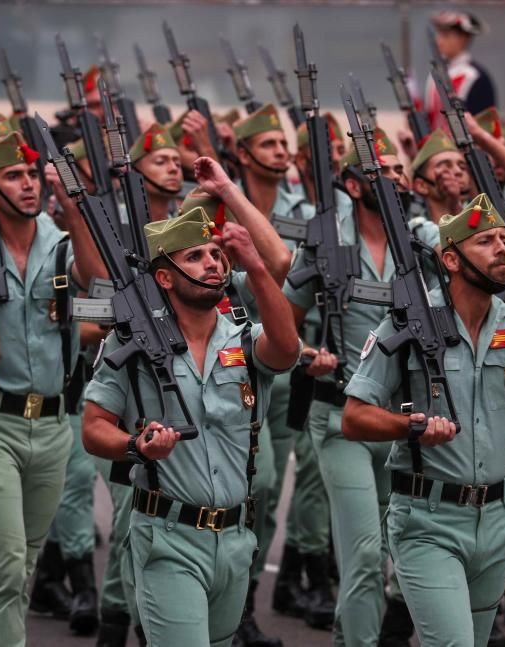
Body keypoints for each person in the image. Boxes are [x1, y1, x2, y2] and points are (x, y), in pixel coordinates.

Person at [341, 191, 505, 647]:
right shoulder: (409, 322)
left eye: (503, 240)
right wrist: (410, 426)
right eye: (486, 242)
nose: (500, 249)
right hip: (427, 521)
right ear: (450, 260)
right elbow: (354, 418)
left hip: (496, 519)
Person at [82, 162, 301, 646]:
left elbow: (286, 350)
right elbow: (94, 426)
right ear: (164, 277)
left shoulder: (243, 339)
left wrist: (256, 267)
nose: (213, 263)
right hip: (168, 535)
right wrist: (137, 447)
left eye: (218, 255)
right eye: (198, 255)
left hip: (235, 538)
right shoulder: (134, 343)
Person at [0, 130, 105, 646]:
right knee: (7, 564)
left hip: (55, 425)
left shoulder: (60, 243)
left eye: (32, 175)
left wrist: (75, 209)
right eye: (14, 176)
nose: (29, 185)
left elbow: (101, 293)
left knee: (25, 564)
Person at [284, 131, 433, 646]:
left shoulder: (420, 241)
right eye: (383, 171)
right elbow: (283, 324)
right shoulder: (325, 242)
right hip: (341, 419)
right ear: (351, 183)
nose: (396, 178)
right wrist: (308, 355)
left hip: (401, 424)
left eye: (399, 170)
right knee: (365, 553)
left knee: (396, 555)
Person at [425, 10, 496, 130]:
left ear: (463, 39)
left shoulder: (475, 76)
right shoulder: (435, 73)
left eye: (446, 35)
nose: (439, 40)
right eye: (438, 34)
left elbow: (485, 124)